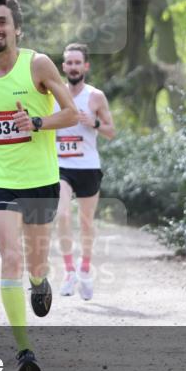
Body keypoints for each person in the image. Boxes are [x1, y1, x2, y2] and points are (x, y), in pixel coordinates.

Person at [0, 0, 78, 371]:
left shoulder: (38, 64)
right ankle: (24, 350)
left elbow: (71, 113)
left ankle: (39, 281)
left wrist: (38, 123)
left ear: (16, 28)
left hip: (39, 178)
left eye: (2, 22)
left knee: (36, 261)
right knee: (11, 257)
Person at [53, 43, 115, 301]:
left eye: (77, 62)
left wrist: (94, 122)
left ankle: (85, 268)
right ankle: (69, 271)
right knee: (62, 214)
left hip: (88, 166)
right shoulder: (54, 94)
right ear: (63, 66)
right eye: (69, 62)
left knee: (86, 221)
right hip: (60, 166)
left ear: (85, 66)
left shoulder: (95, 96)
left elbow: (111, 131)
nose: (73, 67)